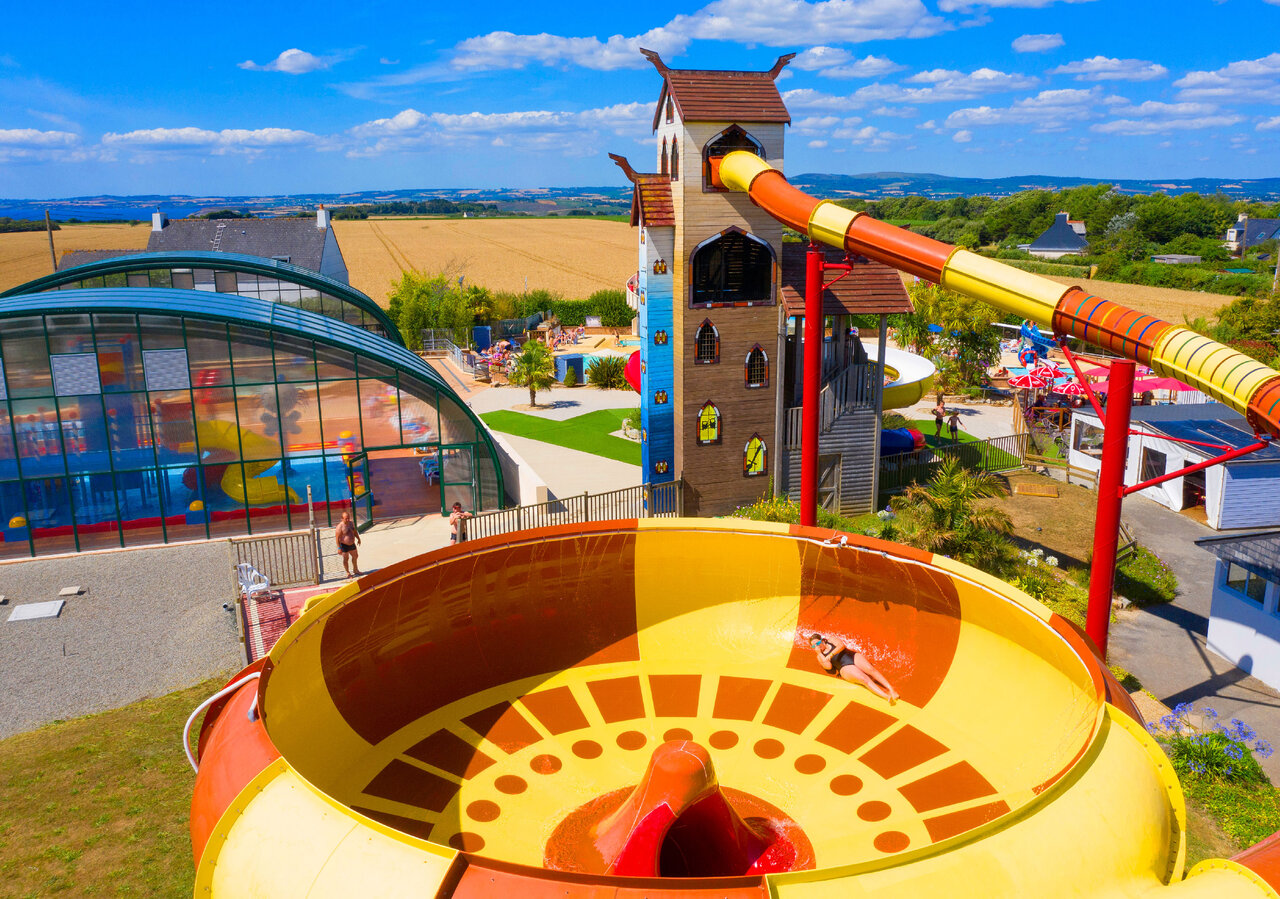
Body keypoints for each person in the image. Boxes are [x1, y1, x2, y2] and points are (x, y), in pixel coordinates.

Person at [807, 634, 897, 703]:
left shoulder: (831, 640)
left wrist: (830, 655)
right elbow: (828, 666)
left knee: (870, 669)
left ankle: (891, 689)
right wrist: (820, 653)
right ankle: (886, 696)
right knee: (864, 679)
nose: (817, 646)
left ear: (822, 640)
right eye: (814, 646)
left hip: (850, 656)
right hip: (843, 667)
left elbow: (841, 646)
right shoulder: (819, 657)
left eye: (818, 643)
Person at [335, 511, 362, 578]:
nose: (347, 520)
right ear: (342, 519)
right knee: (346, 559)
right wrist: (339, 548)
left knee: (355, 556)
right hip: (344, 545)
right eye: (346, 518)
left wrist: (358, 538)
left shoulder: (351, 523)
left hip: (352, 544)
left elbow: (354, 531)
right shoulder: (340, 527)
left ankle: (355, 570)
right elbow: (337, 538)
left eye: (348, 518)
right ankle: (348, 572)